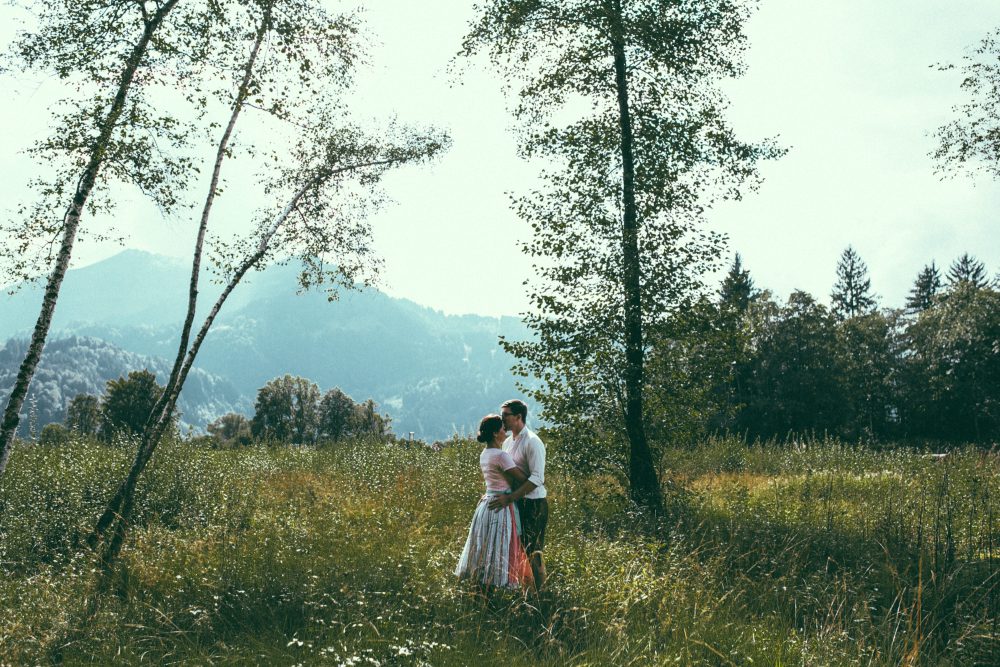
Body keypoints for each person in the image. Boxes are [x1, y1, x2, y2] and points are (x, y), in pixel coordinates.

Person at [454, 414, 533, 591]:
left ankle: (481, 587)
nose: (506, 432)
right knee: (499, 546)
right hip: (500, 505)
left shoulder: (485, 453)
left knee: (485, 546)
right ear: (496, 433)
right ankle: (496, 584)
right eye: (503, 429)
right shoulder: (501, 456)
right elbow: (523, 479)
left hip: (487, 504)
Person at [489, 399, 547, 590]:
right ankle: (526, 593)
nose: (501, 418)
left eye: (505, 415)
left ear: (518, 417)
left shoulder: (532, 441)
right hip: (515, 504)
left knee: (533, 553)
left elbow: (537, 478)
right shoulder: (507, 442)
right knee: (518, 551)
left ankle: (541, 598)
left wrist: (509, 498)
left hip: (533, 504)